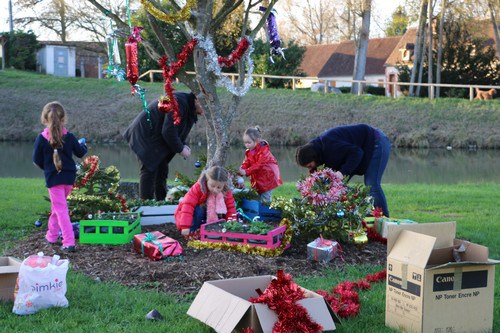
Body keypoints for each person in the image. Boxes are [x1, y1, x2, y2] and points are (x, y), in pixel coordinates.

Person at [295, 124, 391, 217]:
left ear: (314, 157)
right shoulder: (321, 153)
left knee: (371, 184)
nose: (311, 169)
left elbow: (357, 153)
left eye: (310, 166)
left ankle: (384, 221)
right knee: (338, 187)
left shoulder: (330, 144)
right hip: (363, 148)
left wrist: (342, 172)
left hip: (376, 141)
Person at [123, 92, 203, 200]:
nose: (207, 111)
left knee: (162, 170)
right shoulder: (178, 102)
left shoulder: (188, 105)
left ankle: (160, 203)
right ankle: (146, 206)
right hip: (146, 134)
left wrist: (182, 144)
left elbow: (177, 128)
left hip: (156, 136)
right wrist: (180, 149)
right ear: (197, 100)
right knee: (149, 169)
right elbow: (168, 130)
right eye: (206, 106)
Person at [33, 101, 88, 252]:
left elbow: (36, 160)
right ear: (63, 118)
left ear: (45, 118)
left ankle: (69, 242)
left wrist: (49, 169)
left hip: (53, 179)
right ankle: (51, 235)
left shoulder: (41, 138)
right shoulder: (69, 137)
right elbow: (80, 152)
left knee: (60, 209)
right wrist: (84, 145)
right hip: (69, 179)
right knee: (57, 208)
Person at [175, 166, 237, 238]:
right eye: (212, 186)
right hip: (193, 216)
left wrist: (232, 226)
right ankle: (193, 231)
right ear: (207, 180)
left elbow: (231, 209)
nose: (215, 190)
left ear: (224, 185)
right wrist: (185, 226)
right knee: (199, 210)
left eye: (219, 187)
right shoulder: (198, 187)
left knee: (222, 211)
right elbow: (187, 205)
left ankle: (213, 231)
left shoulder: (226, 192)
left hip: (211, 215)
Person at [239, 126, 283, 203]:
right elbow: (246, 162)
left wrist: (246, 172)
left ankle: (267, 212)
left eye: (249, 142)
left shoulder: (264, 151)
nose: (247, 145)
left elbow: (259, 165)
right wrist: (241, 170)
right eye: (245, 143)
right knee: (257, 197)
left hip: (268, 178)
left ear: (257, 141)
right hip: (258, 178)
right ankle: (258, 212)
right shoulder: (249, 152)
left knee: (265, 198)